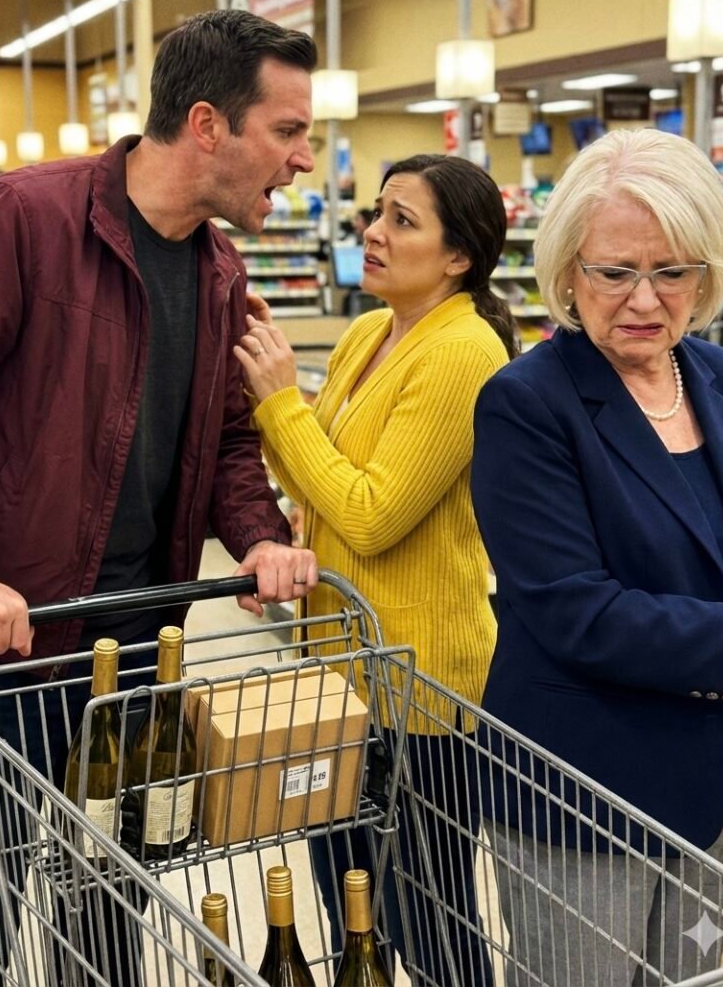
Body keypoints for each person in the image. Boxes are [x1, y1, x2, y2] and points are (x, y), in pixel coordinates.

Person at [0, 8, 320, 987]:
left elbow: (223, 440)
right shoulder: (22, 220)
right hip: (11, 639)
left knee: (113, 892)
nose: (302, 158)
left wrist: (257, 537)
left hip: (139, 640)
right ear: (208, 124)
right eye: (288, 130)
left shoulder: (218, 270)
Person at [471, 127, 723, 985]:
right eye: (615, 271)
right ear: (567, 271)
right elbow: (579, 612)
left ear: (707, 274)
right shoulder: (527, 404)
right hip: (580, 797)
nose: (644, 299)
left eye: (672, 272)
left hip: (707, 787)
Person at [236, 153, 517, 985]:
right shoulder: (367, 333)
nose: (373, 233)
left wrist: (279, 402)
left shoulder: (464, 352)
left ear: (458, 255)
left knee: (427, 919)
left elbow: (371, 514)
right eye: (377, 213)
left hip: (416, 689)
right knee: (350, 905)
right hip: (336, 671)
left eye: (403, 220)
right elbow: (317, 480)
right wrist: (286, 510)